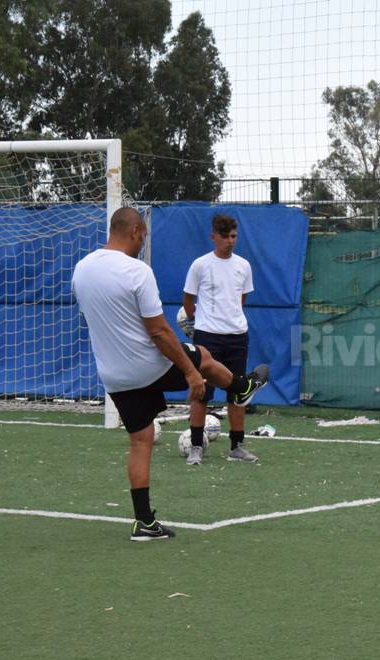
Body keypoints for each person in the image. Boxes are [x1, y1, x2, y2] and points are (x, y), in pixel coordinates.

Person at [71, 207, 267, 541]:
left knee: (141, 440)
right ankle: (239, 387)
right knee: (201, 355)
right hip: (149, 364)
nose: (143, 242)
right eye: (143, 236)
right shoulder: (137, 271)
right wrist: (191, 373)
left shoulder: (82, 269)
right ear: (134, 231)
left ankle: (144, 523)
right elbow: (160, 332)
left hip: (114, 374)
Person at [180, 214, 261, 466]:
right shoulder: (200, 265)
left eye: (233, 236)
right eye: (224, 236)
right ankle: (196, 447)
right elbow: (188, 301)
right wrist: (200, 324)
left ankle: (237, 446)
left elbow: (241, 300)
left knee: (238, 392)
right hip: (207, 339)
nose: (229, 241)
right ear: (213, 236)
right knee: (201, 392)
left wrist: (230, 319)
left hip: (237, 337)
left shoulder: (244, 266)